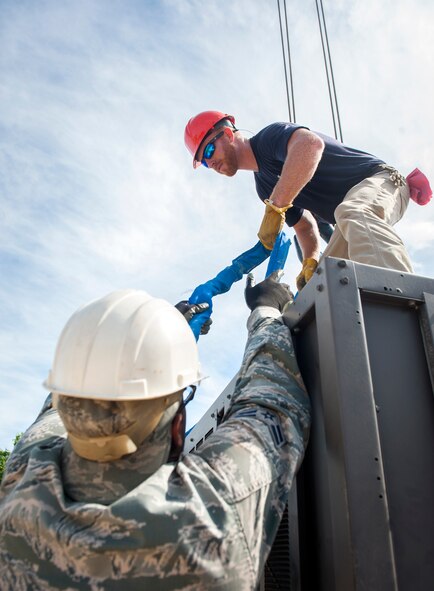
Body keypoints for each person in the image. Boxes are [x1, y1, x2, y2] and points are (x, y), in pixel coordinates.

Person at [0, 278, 311, 590]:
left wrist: (149, 344)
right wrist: (266, 310)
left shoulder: (19, 483)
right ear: (177, 428)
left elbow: (59, 407)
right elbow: (275, 402)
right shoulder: (207, 518)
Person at [184, 111, 414, 290]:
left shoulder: (269, 139)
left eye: (209, 150)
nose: (209, 162)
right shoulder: (264, 187)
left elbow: (310, 145)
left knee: (352, 211)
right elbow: (304, 226)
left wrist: (277, 204)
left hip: (382, 181)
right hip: (349, 220)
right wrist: (310, 262)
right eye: (203, 162)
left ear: (227, 134)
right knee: (327, 280)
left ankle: (403, 297)